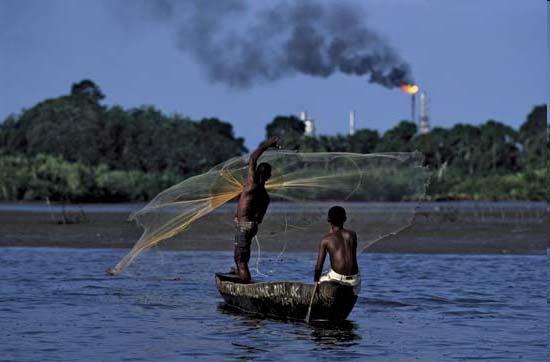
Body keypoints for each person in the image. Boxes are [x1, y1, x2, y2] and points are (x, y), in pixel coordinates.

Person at [233, 136, 280, 283]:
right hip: (251, 226)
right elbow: (259, 218)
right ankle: (241, 278)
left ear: (257, 173)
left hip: (244, 226)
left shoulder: (252, 185)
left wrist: (267, 145)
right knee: (239, 258)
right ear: (268, 176)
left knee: (241, 261)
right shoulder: (265, 196)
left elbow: (253, 158)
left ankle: (245, 288)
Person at [314, 206, 361, 294]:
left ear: (329, 220)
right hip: (354, 280)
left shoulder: (326, 240)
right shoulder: (352, 235)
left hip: (337, 278)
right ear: (345, 219)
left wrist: (316, 281)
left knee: (321, 279)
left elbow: (319, 266)